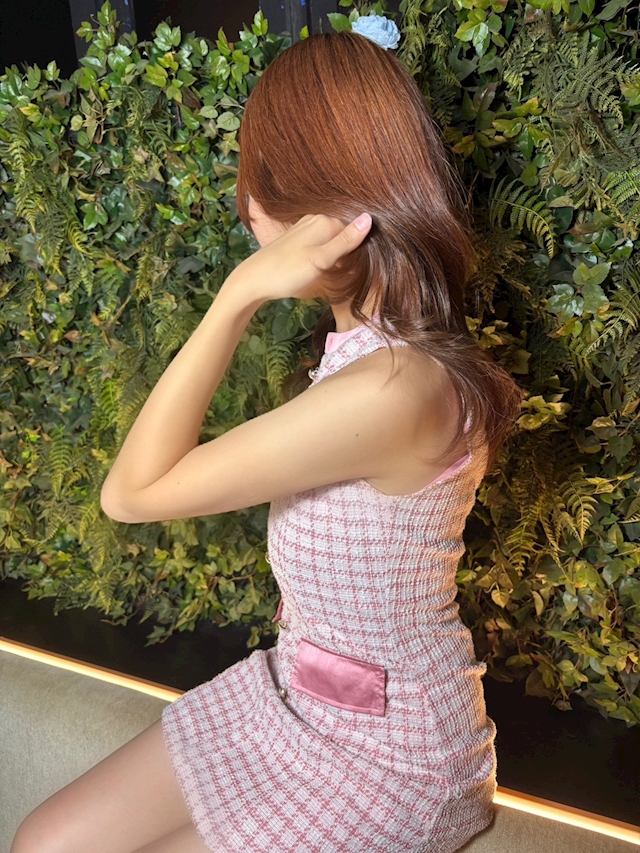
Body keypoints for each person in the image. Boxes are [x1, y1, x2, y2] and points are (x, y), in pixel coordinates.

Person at [10, 22, 523, 853]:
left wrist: (237, 295)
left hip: (392, 759)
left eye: (259, 184)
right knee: (48, 841)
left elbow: (131, 493)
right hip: (298, 695)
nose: (246, 210)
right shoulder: (371, 353)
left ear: (328, 208)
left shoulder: (393, 388)